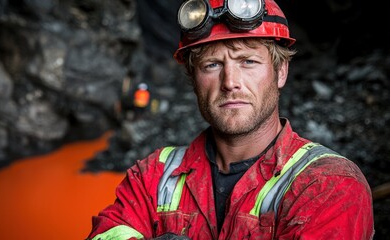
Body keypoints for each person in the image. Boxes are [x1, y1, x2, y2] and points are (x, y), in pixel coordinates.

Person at [87, 0, 374, 239]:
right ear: (194, 79)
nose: (230, 82)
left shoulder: (328, 184)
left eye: (248, 61)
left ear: (281, 72)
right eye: (212, 65)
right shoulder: (153, 176)